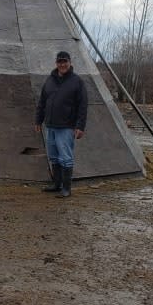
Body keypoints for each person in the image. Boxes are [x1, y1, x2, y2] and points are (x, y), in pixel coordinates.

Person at [34, 50, 88, 198]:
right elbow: (42, 102)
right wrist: (39, 120)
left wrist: (80, 126)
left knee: (66, 157)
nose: (62, 64)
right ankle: (57, 185)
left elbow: (83, 105)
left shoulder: (77, 81)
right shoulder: (50, 80)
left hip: (66, 127)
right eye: (60, 62)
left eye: (65, 61)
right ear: (56, 63)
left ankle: (66, 189)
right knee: (53, 157)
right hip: (50, 125)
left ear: (70, 63)